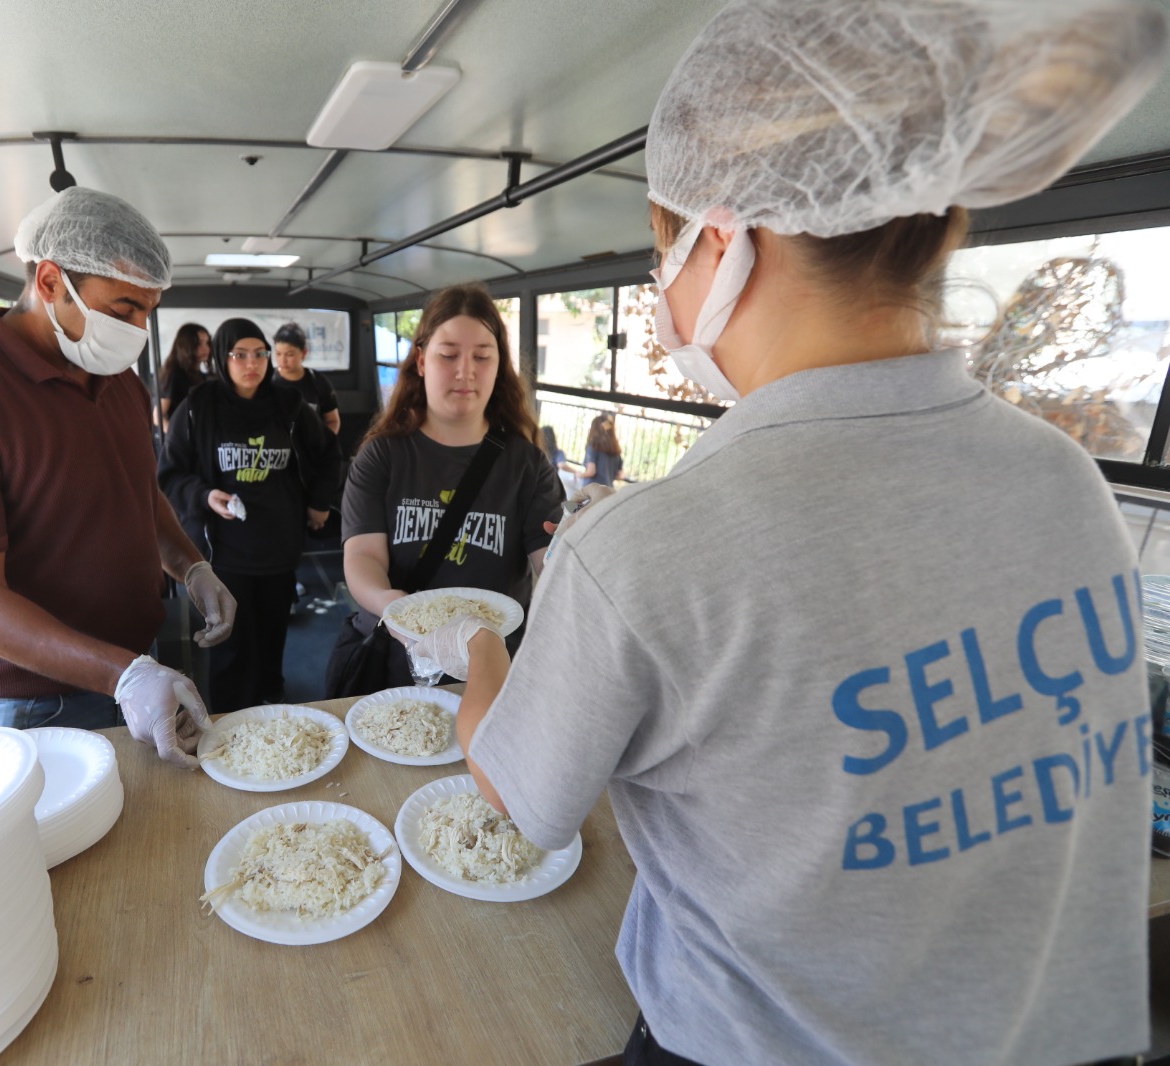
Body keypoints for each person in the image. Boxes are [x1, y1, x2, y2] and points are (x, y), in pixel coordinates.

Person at [411, 3, 1167, 1064]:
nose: (663, 288)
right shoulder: (1066, 481)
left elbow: (520, 796)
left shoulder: (645, 548)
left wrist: (481, 646)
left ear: (725, 242)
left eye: (665, 248)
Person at [0, 187, 237, 769]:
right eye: (122, 311)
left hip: (136, 664)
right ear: (49, 282)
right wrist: (122, 674)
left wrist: (191, 566)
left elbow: (137, 492)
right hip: (26, 703)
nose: (137, 330)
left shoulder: (116, 378)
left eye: (147, 312)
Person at [331, 283, 563, 691]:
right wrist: (391, 605)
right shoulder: (382, 456)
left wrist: (582, 542)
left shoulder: (526, 465)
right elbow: (363, 555)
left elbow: (551, 561)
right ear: (421, 360)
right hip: (400, 660)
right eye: (449, 355)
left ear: (499, 365)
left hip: (491, 669)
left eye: (482, 356)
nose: (465, 371)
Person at [159, 318, 339, 711]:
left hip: (279, 543)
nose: (252, 363)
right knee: (230, 640)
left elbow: (328, 453)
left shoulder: (288, 404)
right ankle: (231, 712)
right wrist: (204, 495)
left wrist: (320, 502)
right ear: (221, 359)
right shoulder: (198, 406)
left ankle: (273, 691)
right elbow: (169, 474)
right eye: (239, 355)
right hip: (222, 549)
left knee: (274, 631)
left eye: (259, 353)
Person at [271, 322, 341, 435]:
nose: (282, 360)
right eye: (278, 354)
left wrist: (325, 442)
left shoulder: (319, 382)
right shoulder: (267, 381)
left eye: (289, 354)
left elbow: (333, 420)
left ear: (303, 352)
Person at [157, 321, 209, 427]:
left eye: (207, 343)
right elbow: (158, 417)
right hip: (180, 433)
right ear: (187, 345)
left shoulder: (200, 375)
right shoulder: (175, 374)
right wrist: (176, 435)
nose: (206, 348)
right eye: (199, 343)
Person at [582, 413, 624, 487]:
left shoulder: (593, 446)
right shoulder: (615, 449)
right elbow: (620, 475)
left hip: (592, 489)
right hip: (609, 489)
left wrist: (578, 474)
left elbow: (591, 471)